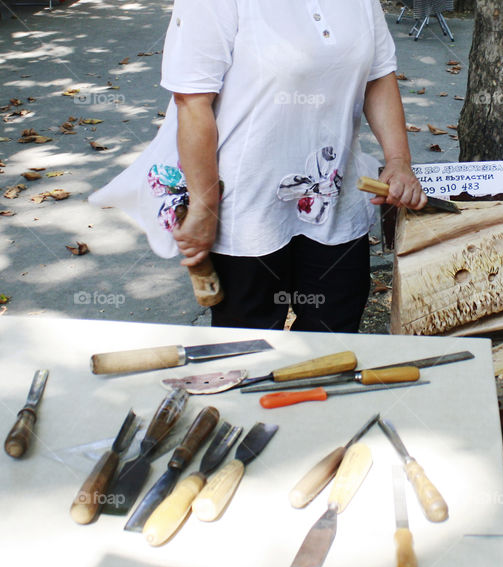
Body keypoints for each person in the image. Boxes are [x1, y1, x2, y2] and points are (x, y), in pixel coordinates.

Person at [157, 0, 425, 332]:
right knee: (248, 348)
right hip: (246, 209)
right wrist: (203, 204)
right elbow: (191, 101)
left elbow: (379, 74)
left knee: (335, 332)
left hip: (335, 199)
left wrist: (399, 161)